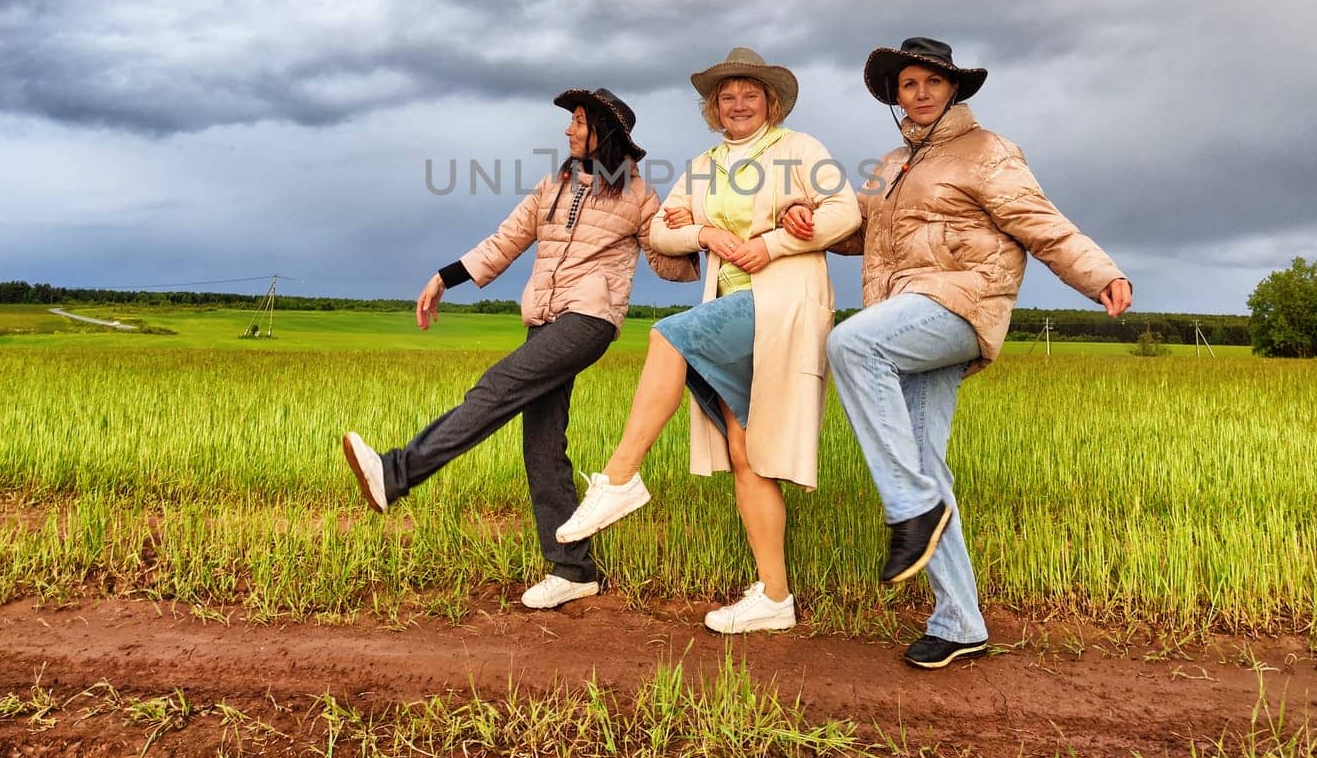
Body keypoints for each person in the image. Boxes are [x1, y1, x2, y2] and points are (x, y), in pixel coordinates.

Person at [821, 37, 1132, 669]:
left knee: (850, 342)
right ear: (896, 96)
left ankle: (909, 508)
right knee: (927, 464)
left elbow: (1039, 220)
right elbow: (862, 233)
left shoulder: (988, 152)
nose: (922, 92)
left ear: (953, 87)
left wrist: (1098, 272)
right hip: (905, 314)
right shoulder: (889, 164)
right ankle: (960, 620)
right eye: (909, 84)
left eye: (933, 81)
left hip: (961, 302)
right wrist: (813, 219)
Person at [341, 88, 698, 610]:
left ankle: (396, 473)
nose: (568, 130)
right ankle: (573, 570)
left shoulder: (638, 196)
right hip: (544, 320)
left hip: (588, 320)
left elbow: (667, 261)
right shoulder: (552, 186)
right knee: (542, 444)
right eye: (571, 121)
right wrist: (444, 277)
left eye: (578, 121)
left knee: (496, 386)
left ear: (605, 130)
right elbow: (505, 239)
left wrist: (695, 238)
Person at [553, 47, 861, 634]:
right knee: (748, 455)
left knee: (670, 334)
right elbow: (665, 235)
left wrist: (774, 242)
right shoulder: (704, 163)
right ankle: (775, 597)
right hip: (731, 310)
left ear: (770, 102)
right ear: (713, 108)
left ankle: (620, 478)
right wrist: (708, 233)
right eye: (726, 96)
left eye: (749, 94)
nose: (737, 103)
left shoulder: (801, 150)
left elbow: (843, 212)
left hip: (782, 305)